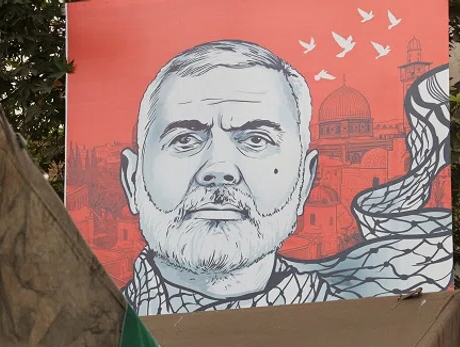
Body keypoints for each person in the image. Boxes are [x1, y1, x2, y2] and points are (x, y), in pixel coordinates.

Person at [121, 39, 340, 314]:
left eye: (257, 140)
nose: (219, 168)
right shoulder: (81, 342)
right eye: (185, 140)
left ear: (304, 181)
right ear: (132, 181)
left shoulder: (364, 338)